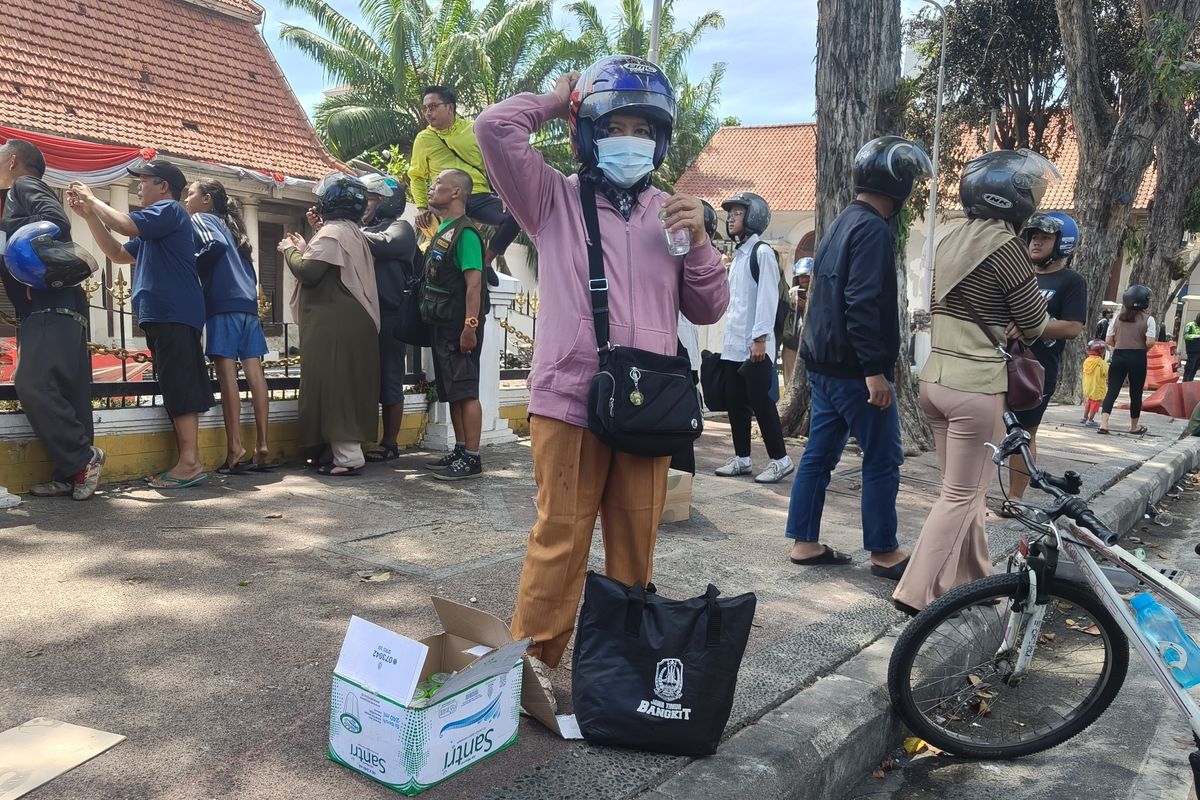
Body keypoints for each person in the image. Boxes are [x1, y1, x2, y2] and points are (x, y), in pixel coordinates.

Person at [475, 56, 728, 709]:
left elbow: (707, 308)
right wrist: (556, 102)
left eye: (644, 127)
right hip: (570, 398)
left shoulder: (671, 214)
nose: (631, 137)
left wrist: (700, 242)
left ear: (661, 139)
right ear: (588, 132)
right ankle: (530, 666)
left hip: (650, 407)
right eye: (615, 123)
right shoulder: (551, 198)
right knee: (560, 535)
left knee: (635, 544)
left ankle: (621, 666)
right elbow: (494, 130)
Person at [892, 149, 1054, 614]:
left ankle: (976, 580)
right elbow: (1035, 322)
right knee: (962, 494)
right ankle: (916, 591)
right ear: (1014, 199)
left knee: (968, 488)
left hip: (936, 380)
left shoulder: (947, 238)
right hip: (975, 386)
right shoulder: (1007, 248)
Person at [786, 136, 931, 578]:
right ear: (899, 184)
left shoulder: (842, 222)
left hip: (824, 368)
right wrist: (874, 372)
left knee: (819, 454)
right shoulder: (872, 229)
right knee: (883, 456)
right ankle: (885, 551)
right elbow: (861, 301)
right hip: (854, 371)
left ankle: (805, 542)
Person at [68, 160, 214, 489]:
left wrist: (92, 200)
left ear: (164, 187)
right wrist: (91, 216)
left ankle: (190, 462)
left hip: (174, 312)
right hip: (163, 313)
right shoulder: (155, 225)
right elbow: (118, 252)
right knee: (174, 384)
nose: (139, 186)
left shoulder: (169, 212)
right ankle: (187, 460)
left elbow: (124, 225)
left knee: (180, 386)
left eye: (144, 181)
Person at [0, 139, 105, 499]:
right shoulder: (16, 192)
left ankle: (82, 456)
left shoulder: (22, 186)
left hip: (49, 303)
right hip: (59, 305)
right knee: (67, 389)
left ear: (13, 161)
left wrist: (26, 262)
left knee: (30, 381)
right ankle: (71, 473)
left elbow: (55, 221)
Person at [278, 174, 380, 475]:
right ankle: (336, 452)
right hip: (351, 319)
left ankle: (347, 458)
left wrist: (289, 250)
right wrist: (307, 244)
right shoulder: (350, 231)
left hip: (337, 322)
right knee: (343, 383)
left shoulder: (333, 232)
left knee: (335, 385)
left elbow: (309, 272)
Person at [182, 179, 274, 474]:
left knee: (227, 377)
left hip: (222, 303)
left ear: (206, 199)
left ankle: (235, 447)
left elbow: (213, 247)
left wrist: (189, 266)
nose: (186, 199)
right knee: (254, 373)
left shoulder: (201, 219)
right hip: (247, 304)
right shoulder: (233, 228)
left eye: (191, 194)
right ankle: (262, 445)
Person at [1001, 212, 1087, 508]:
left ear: (1062, 244)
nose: (1036, 242)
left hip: (1035, 370)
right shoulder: (1017, 273)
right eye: (1033, 236)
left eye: (1045, 238)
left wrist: (1032, 325)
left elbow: (1074, 327)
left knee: (1023, 433)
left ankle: (1015, 498)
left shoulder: (1071, 282)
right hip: (997, 361)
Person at [713, 192, 793, 484]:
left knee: (761, 401)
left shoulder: (761, 253)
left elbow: (767, 298)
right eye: (730, 213)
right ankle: (742, 458)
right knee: (735, 401)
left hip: (755, 345)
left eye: (738, 212)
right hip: (734, 345)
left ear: (754, 216)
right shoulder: (739, 256)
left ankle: (780, 460)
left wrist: (760, 338)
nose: (731, 217)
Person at [418, 168, 488, 481]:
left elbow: (473, 284)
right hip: (442, 323)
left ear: (456, 192)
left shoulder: (466, 233)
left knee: (466, 390)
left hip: (459, 326)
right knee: (454, 392)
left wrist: (469, 327)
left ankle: (472, 457)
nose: (431, 190)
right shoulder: (444, 228)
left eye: (437, 184)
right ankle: (461, 449)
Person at [409, 86, 520, 267]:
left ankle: (485, 263)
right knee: (446, 245)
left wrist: (505, 193)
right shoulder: (423, 139)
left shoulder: (474, 130)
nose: (428, 113)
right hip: (444, 198)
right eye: (425, 108)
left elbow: (494, 165)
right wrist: (421, 207)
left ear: (450, 108)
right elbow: (417, 176)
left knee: (516, 217)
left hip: (478, 195)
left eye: (433, 107)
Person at [359, 173, 417, 463]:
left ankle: (390, 442)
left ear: (385, 200)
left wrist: (345, 230)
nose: (365, 204)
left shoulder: (401, 228)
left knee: (390, 379)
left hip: (391, 316)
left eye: (370, 198)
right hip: (362, 316)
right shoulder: (358, 228)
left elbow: (384, 243)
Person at [1098, 284, 1155, 436]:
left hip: (1119, 355)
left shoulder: (1117, 318)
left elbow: (1108, 339)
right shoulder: (1149, 319)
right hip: (1138, 357)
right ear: (1144, 302)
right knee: (1135, 392)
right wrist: (1140, 347)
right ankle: (1134, 426)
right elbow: (1150, 342)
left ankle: (1104, 423)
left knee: (1113, 390)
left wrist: (1121, 345)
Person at [784, 257, 813, 386]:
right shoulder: (792, 293)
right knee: (789, 382)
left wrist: (806, 306)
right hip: (791, 344)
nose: (804, 279)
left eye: (807, 276)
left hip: (810, 346)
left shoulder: (817, 294)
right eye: (801, 276)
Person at [1081, 339, 1109, 426]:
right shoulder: (1101, 362)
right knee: (1095, 404)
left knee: (1088, 402)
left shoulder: (1087, 361)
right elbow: (1105, 374)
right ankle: (1090, 420)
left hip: (1088, 387)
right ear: (1100, 351)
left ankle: (1085, 417)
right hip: (1097, 387)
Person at [1183, 312, 1200, 382]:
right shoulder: (1190, 325)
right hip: (1192, 351)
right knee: (1189, 368)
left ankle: (1190, 382)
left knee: (1195, 369)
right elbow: (1186, 336)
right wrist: (1197, 336)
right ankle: (1185, 383)